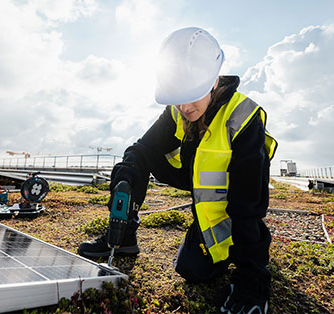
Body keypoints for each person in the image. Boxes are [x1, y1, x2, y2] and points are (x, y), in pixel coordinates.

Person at [78, 27, 277, 314]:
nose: (184, 106)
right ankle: (123, 238)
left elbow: (248, 205)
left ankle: (248, 262)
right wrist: (126, 175)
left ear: (213, 81)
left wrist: (252, 279)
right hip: (193, 180)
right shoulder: (178, 110)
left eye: (191, 95)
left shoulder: (244, 119)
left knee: (193, 269)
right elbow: (141, 149)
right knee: (136, 158)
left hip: (233, 212)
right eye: (177, 97)